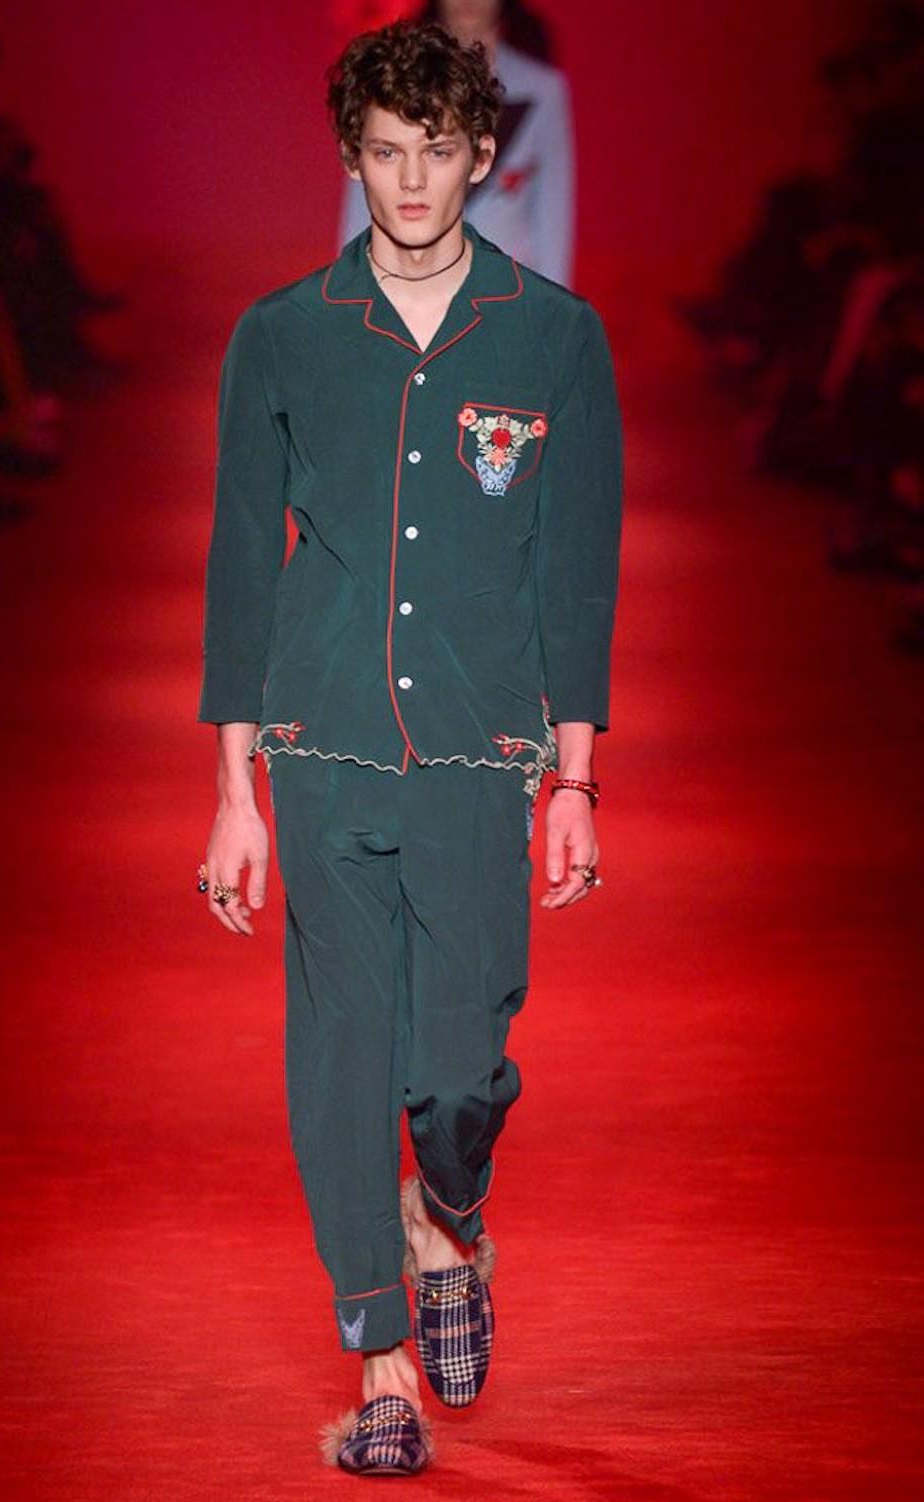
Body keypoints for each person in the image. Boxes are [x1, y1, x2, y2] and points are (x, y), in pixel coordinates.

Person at [197, 18, 622, 1477]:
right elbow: (241, 567)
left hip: (478, 749)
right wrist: (233, 792)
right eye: (386, 153)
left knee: (455, 1071)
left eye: (437, 151)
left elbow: (576, 573)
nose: (413, 181)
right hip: (321, 740)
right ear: (352, 157)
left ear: (482, 154)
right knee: (337, 1055)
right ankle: (378, 1358)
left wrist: (574, 777)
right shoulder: (283, 334)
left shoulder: (556, 337)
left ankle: (448, 1217)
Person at [338, 0, 577, 287]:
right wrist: (352, 289)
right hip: (411, 285)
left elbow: (552, 209)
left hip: (508, 287)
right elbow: (366, 192)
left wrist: (553, 302)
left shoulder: (542, 89)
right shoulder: (391, 82)